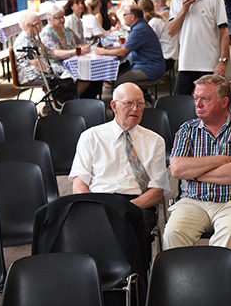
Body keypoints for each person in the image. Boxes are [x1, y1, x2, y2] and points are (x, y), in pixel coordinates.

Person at [163, 75, 231, 253]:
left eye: (205, 99)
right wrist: (220, 159)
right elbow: (176, 169)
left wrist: (194, 174)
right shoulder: (187, 129)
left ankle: (216, 272)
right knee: (173, 233)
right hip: (192, 201)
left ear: (224, 102)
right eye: (196, 98)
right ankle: (183, 273)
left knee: (229, 231)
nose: (198, 104)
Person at [69, 82, 170, 240]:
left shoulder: (155, 141)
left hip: (137, 203)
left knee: (132, 234)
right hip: (99, 201)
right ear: (114, 106)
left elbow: (157, 191)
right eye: (129, 103)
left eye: (140, 103)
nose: (135, 109)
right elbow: (79, 184)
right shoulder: (91, 137)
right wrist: (95, 207)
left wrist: (126, 208)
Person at [167, 0, 230, 95]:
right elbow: (171, 31)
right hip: (186, 64)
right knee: (179, 104)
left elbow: (224, 31)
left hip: (210, 65)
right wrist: (184, 10)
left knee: (210, 105)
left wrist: (222, 61)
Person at [95, 4, 166, 86]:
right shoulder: (140, 26)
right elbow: (126, 45)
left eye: (124, 15)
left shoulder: (139, 29)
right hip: (146, 65)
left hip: (150, 69)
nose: (123, 17)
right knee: (116, 75)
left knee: (119, 83)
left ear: (132, 17)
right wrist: (108, 49)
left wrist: (102, 52)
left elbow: (123, 52)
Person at [40, 5, 101, 98]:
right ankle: (69, 100)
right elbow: (55, 53)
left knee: (96, 70)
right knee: (87, 76)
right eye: (58, 18)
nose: (62, 20)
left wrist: (84, 48)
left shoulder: (67, 30)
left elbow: (80, 43)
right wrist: (76, 51)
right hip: (60, 65)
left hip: (76, 62)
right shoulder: (47, 34)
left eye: (63, 17)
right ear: (50, 19)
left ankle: (89, 98)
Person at [139, 0, 175, 73]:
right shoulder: (159, 18)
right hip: (170, 56)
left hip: (166, 59)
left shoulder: (154, 22)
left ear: (142, 11)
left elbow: (148, 43)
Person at [13, 10, 48, 86]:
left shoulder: (34, 38)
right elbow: (35, 62)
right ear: (29, 25)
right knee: (59, 82)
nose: (41, 25)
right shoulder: (24, 40)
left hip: (40, 73)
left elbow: (49, 52)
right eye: (38, 23)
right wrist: (51, 71)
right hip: (30, 76)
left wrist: (70, 53)